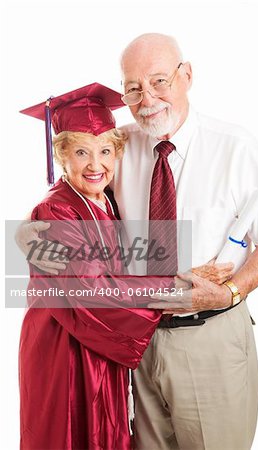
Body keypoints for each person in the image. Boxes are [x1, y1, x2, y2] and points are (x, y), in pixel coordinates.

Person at [17, 34, 258, 450]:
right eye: (133, 87)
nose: (147, 98)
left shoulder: (234, 146)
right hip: (135, 346)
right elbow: (76, 202)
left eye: (159, 81)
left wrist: (229, 291)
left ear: (186, 76)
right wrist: (24, 231)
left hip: (209, 337)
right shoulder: (121, 144)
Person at [18, 82, 178, 450]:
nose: (95, 165)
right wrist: (169, 288)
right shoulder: (56, 210)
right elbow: (92, 291)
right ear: (62, 157)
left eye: (105, 150)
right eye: (81, 152)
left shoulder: (105, 201)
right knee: (73, 431)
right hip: (66, 347)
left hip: (96, 340)